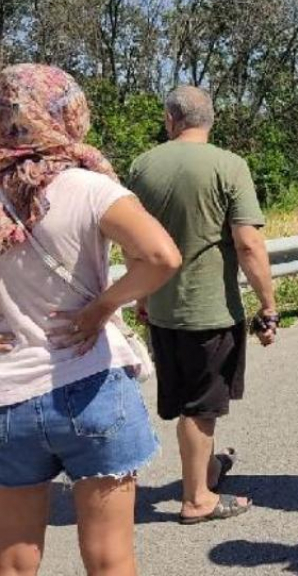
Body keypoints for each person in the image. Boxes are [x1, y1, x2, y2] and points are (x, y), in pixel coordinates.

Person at [0, 64, 182, 576]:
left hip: (7, 397)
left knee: (12, 561)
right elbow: (161, 256)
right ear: (65, 112)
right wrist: (102, 307)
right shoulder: (87, 185)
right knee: (109, 560)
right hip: (90, 384)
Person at [127, 86, 278, 525]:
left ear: (170, 118)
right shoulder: (229, 165)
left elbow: (138, 244)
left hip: (162, 308)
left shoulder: (142, 166)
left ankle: (207, 471)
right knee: (203, 407)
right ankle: (197, 499)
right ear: (210, 120)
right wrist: (268, 304)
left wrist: (142, 295)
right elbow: (248, 244)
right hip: (209, 310)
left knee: (190, 401)